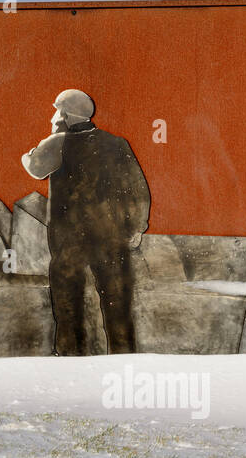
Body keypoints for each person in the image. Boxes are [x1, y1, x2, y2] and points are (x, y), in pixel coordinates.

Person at [21, 89, 150, 356]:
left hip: (69, 243)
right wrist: (137, 226)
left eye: (57, 111)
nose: (54, 116)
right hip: (112, 240)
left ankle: (70, 362)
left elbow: (34, 167)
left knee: (68, 309)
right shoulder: (116, 144)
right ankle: (124, 361)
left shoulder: (57, 143)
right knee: (118, 309)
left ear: (65, 115)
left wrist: (47, 138)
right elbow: (138, 189)